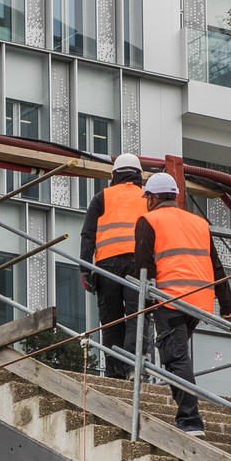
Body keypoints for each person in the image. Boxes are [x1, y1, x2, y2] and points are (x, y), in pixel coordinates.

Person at [131, 172, 231, 433]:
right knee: (177, 357)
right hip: (199, 300)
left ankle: (190, 418)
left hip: (170, 298)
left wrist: (144, 297)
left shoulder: (149, 220)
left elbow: (143, 264)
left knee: (176, 358)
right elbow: (216, 264)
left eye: (147, 197)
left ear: (152, 198)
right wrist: (227, 305)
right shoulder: (198, 222)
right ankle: (186, 413)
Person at [76, 152, 149, 376]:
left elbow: (88, 235)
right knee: (137, 317)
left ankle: (114, 373)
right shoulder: (148, 198)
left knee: (111, 321)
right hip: (139, 265)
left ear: (114, 175)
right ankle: (134, 369)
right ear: (139, 175)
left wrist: (85, 270)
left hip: (106, 266)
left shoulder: (102, 197)